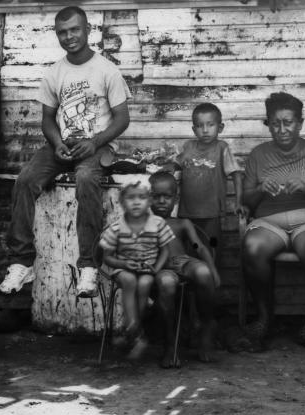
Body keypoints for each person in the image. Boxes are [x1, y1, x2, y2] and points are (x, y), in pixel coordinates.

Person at [0, 6, 131, 301]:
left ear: (88, 30)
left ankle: (88, 265)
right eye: (62, 32)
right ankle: (21, 262)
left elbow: (122, 118)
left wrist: (95, 143)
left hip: (96, 147)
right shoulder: (55, 72)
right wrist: (56, 142)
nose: (69, 36)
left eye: (74, 30)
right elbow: (47, 119)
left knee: (85, 178)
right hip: (63, 146)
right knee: (25, 179)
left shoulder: (107, 70)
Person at [239, 92, 305, 348]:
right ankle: (265, 318)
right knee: (252, 247)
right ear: (268, 124)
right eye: (275, 123)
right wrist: (262, 189)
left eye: (288, 122)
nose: (282, 129)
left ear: (300, 123)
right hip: (269, 222)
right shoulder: (258, 155)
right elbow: (247, 201)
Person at [149, 171, 223, 367]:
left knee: (203, 272)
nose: (162, 201)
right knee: (166, 283)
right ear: (149, 197)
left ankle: (207, 328)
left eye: (167, 197)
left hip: (182, 261)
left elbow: (198, 246)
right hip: (162, 269)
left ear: (176, 198)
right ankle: (170, 344)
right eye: (156, 197)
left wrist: (213, 269)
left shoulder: (182, 223)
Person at [98, 174, 173, 355]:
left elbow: (166, 250)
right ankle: (135, 331)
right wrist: (124, 263)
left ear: (149, 201)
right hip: (122, 267)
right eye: (131, 198)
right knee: (130, 280)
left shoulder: (158, 224)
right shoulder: (116, 227)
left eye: (142, 197)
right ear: (122, 202)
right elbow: (106, 257)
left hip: (148, 268)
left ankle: (131, 330)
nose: (137, 202)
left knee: (145, 282)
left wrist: (156, 268)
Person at [170, 102, 245, 258]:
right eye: (199, 126)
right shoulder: (189, 146)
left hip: (212, 213)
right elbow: (175, 165)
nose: (205, 130)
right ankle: (194, 281)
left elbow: (237, 174)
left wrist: (239, 202)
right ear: (193, 129)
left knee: (212, 249)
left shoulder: (222, 148)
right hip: (187, 213)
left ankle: (214, 280)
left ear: (220, 127)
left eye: (210, 125)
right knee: (190, 252)